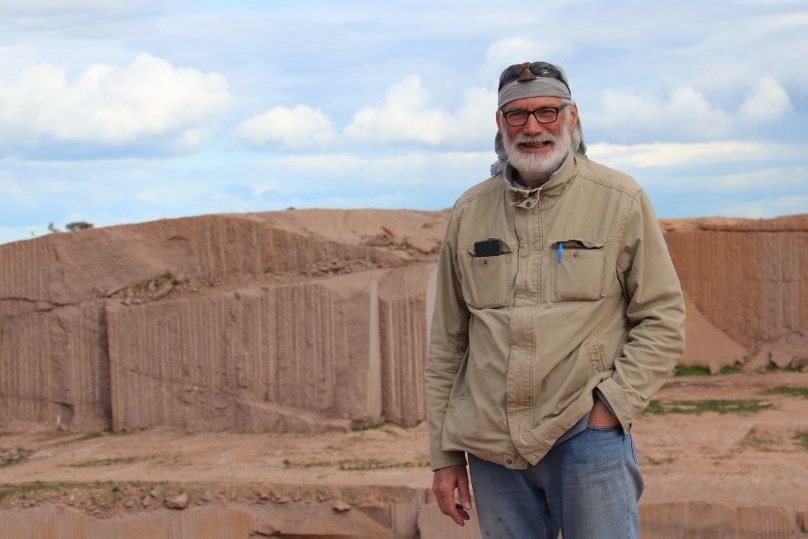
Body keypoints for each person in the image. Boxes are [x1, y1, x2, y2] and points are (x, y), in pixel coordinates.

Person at [424, 61, 686, 539]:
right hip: (491, 449)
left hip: (585, 435)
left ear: (572, 116)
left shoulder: (620, 199)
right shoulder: (469, 212)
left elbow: (663, 318)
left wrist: (611, 407)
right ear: (500, 125)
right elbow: (447, 341)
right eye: (517, 115)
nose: (533, 128)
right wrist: (444, 457)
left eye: (547, 111)